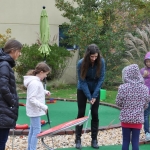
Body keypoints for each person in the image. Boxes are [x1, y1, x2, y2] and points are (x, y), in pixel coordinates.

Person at [75, 44, 105, 149]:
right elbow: (82, 81)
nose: (93, 59)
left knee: (95, 114)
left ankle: (94, 139)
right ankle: (78, 139)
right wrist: (89, 96)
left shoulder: (101, 62)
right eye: (92, 56)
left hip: (95, 89)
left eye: (95, 56)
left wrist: (95, 95)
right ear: (88, 55)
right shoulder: (80, 63)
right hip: (82, 90)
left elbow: (101, 79)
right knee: (81, 113)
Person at [116, 64, 150, 150]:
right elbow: (146, 104)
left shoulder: (123, 88)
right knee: (135, 142)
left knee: (125, 141)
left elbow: (118, 103)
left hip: (126, 119)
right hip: (138, 119)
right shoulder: (145, 89)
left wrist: (125, 106)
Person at [0, 39, 22, 150]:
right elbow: (3, 86)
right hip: (3, 110)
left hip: (3, 109)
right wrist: (12, 102)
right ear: (13, 51)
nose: (20, 54)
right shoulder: (4, 65)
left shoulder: (4, 63)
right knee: (1, 141)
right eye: (19, 51)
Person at [23, 62, 51, 150]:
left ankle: (30, 148)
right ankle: (32, 148)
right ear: (41, 72)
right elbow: (32, 98)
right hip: (34, 110)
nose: (46, 76)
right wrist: (44, 107)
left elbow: (38, 90)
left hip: (34, 110)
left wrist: (45, 92)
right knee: (36, 131)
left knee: (32, 130)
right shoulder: (34, 82)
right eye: (46, 74)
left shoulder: (36, 81)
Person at [140, 52, 150, 141]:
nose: (148, 63)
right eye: (147, 61)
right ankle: (147, 133)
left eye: (149, 61)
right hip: (145, 96)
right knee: (145, 114)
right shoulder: (142, 70)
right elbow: (139, 82)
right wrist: (143, 76)